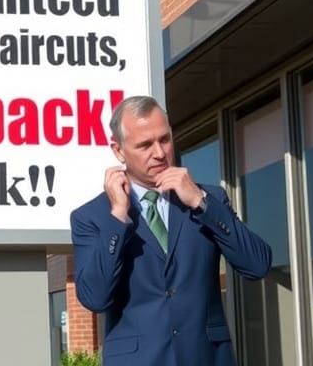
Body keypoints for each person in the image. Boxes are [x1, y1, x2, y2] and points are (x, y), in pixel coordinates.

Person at [70, 95, 271, 366]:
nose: (160, 153)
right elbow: (95, 297)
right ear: (118, 151)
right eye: (145, 145)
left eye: (164, 139)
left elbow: (257, 265)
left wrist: (201, 203)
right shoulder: (92, 217)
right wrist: (118, 216)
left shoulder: (209, 199)